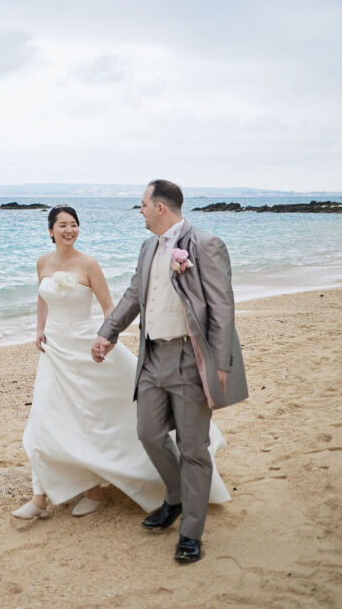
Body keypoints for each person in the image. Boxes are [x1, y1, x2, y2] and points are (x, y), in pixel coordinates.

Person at [13, 205, 229, 520]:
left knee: (100, 417)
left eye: (74, 224)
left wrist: (108, 339)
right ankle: (41, 499)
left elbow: (108, 307)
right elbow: (42, 298)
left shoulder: (89, 264)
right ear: (50, 231)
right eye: (63, 225)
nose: (69, 230)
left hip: (87, 349)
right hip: (55, 352)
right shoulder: (42, 263)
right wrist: (39, 329)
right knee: (46, 417)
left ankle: (97, 490)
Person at [92, 180, 248, 564]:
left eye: (142, 205)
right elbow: (134, 295)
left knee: (194, 449)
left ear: (160, 208)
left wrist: (222, 363)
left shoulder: (205, 244)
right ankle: (176, 497)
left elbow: (222, 308)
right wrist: (108, 332)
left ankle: (191, 533)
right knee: (148, 433)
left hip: (189, 358)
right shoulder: (147, 247)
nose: (140, 211)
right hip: (151, 357)